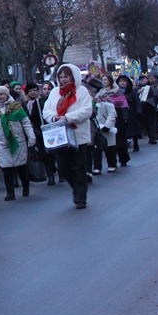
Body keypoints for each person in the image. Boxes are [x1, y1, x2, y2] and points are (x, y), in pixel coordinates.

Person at [43, 63, 94, 209]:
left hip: (78, 135)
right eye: (61, 77)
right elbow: (46, 110)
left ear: (73, 76)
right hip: (60, 136)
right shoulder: (54, 92)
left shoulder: (81, 91)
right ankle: (76, 187)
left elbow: (86, 110)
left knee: (79, 167)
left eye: (66, 76)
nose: (63, 79)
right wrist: (53, 117)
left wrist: (68, 117)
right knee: (63, 167)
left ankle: (80, 197)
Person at [0, 85, 36, 200]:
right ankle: (10, 192)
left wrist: (31, 136)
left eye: (2, 94)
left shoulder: (16, 106)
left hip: (18, 141)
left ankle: (25, 186)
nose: (0, 96)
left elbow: (25, 122)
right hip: (2, 142)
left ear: (7, 95)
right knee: (6, 168)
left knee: (21, 166)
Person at [25, 84, 57, 185]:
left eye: (49, 89)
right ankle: (50, 175)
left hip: (52, 130)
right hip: (40, 132)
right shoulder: (33, 103)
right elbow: (32, 117)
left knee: (55, 152)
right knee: (44, 154)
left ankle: (60, 173)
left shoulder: (49, 101)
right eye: (45, 89)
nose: (47, 91)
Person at [84, 79, 118, 174]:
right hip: (93, 127)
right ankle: (97, 167)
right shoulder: (87, 100)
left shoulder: (105, 98)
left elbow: (111, 113)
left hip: (105, 126)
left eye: (90, 89)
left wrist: (108, 125)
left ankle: (112, 164)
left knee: (109, 147)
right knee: (96, 147)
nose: (88, 91)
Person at [117, 75, 142, 155]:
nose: (122, 83)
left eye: (124, 81)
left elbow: (137, 101)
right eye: (121, 81)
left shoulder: (132, 91)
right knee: (123, 130)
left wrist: (138, 111)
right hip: (120, 113)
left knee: (133, 129)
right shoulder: (116, 91)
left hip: (131, 112)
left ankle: (135, 143)